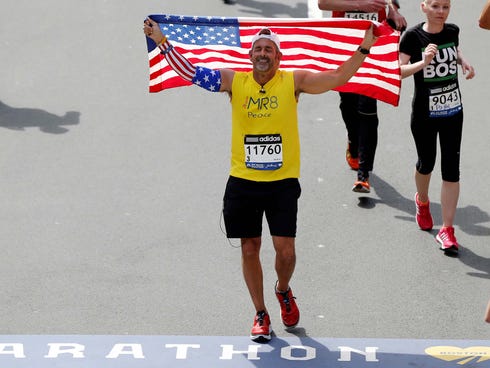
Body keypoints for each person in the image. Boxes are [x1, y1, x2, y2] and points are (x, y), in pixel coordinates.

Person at [143, 18, 378, 342]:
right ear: (250, 56)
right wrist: (162, 41)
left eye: (269, 49)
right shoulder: (234, 81)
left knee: (286, 253)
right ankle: (260, 312)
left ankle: (283, 289)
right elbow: (193, 74)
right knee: (250, 248)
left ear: (278, 57)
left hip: (282, 182)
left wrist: (365, 46)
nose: (262, 53)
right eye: (258, 49)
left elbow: (338, 77)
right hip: (243, 181)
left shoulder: (293, 81)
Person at [399, 0, 475, 256]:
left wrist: (463, 61)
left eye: (445, 6)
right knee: (426, 163)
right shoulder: (412, 36)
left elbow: (454, 47)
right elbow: (397, 70)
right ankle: (422, 201)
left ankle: (448, 229)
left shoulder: (452, 30)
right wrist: (423, 62)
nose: (441, 12)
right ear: (423, 7)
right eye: (435, 6)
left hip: (453, 110)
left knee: (451, 169)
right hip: (424, 114)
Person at [318, 0, 407, 193]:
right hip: (345, 44)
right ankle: (353, 140)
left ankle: (363, 174)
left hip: (374, 43)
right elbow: (323, 3)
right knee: (347, 104)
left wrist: (393, 10)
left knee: (367, 108)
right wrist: (360, 5)